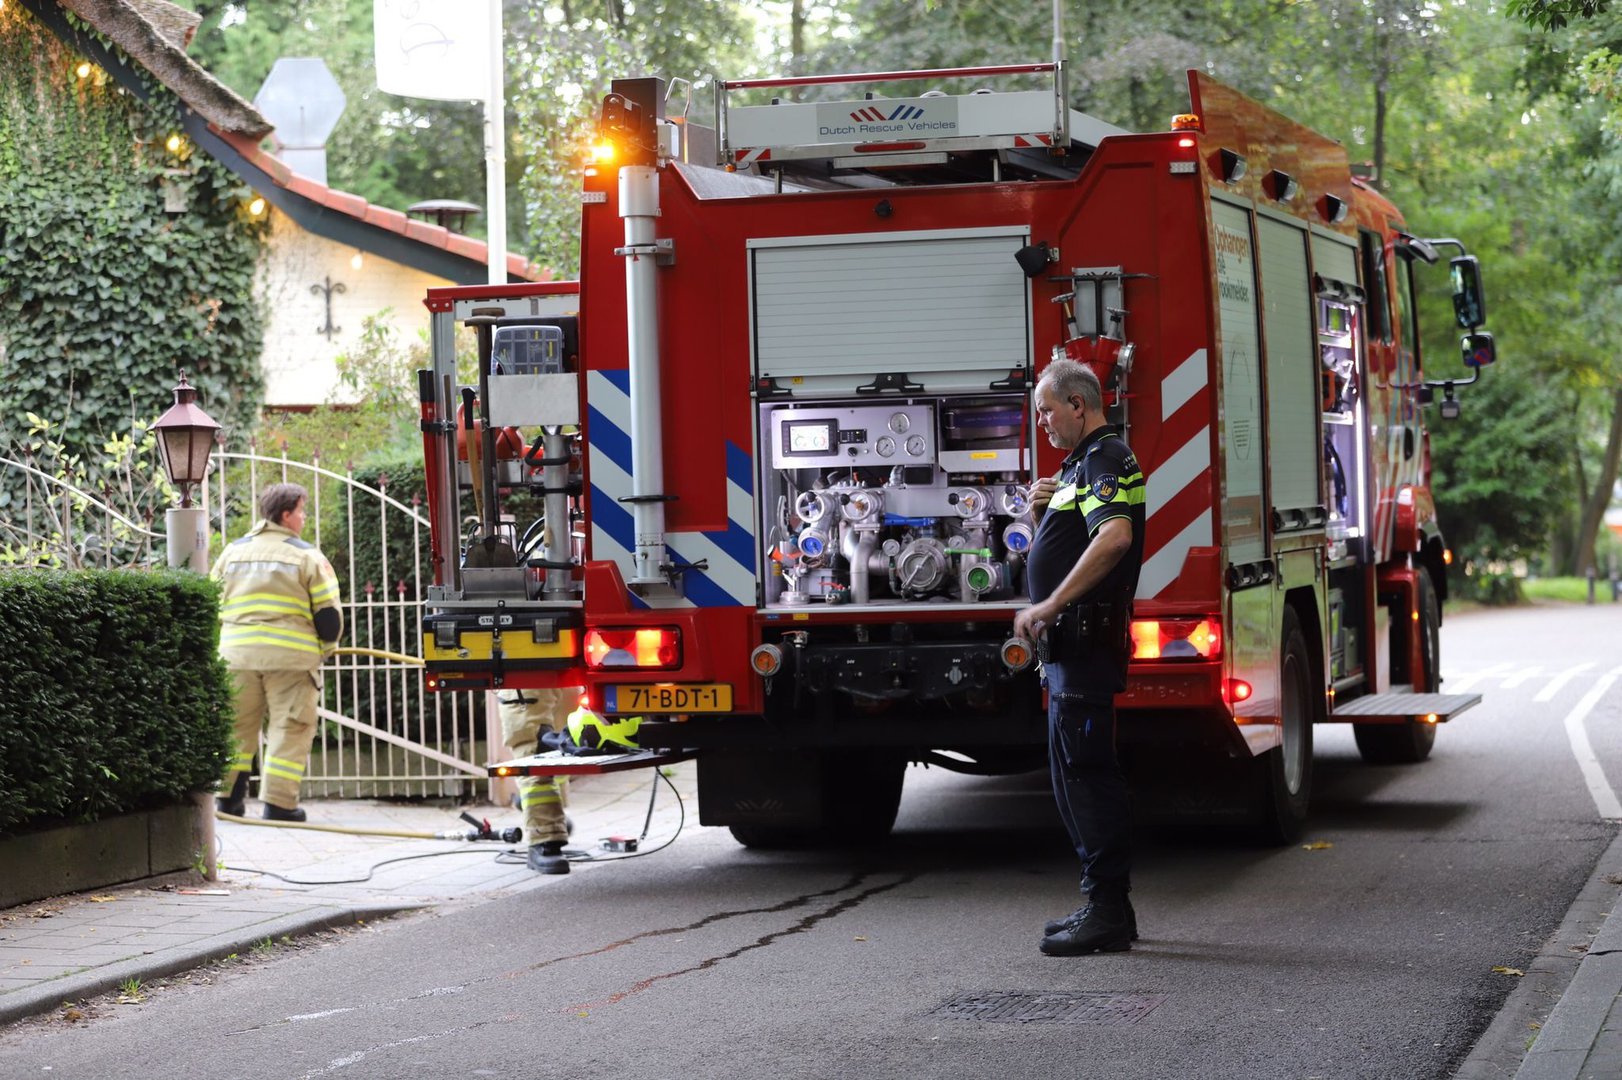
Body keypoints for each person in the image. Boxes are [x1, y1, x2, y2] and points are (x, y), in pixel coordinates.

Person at [1012, 359, 1145, 957]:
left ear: (1078, 406)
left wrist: (1048, 606)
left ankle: (1109, 911)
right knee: (1070, 777)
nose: (1040, 421)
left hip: (1084, 641)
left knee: (1088, 776)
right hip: (1067, 648)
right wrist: (1045, 511)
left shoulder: (1105, 459)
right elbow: (1064, 545)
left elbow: (1114, 538)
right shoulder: (1077, 467)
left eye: (1046, 409)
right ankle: (1099, 902)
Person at [214, 482, 343, 822]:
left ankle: (227, 802)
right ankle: (279, 805)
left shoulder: (232, 552)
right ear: (286, 515)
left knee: (235, 727)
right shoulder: (306, 556)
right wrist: (327, 649)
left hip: (235, 658)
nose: (304, 518)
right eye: (301, 511)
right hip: (291, 660)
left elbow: (211, 601)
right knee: (290, 727)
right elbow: (329, 616)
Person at [496, 688, 576, 874]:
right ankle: (547, 829)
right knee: (545, 756)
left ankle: (548, 829)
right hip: (545, 681)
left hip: (543, 680)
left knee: (550, 756)